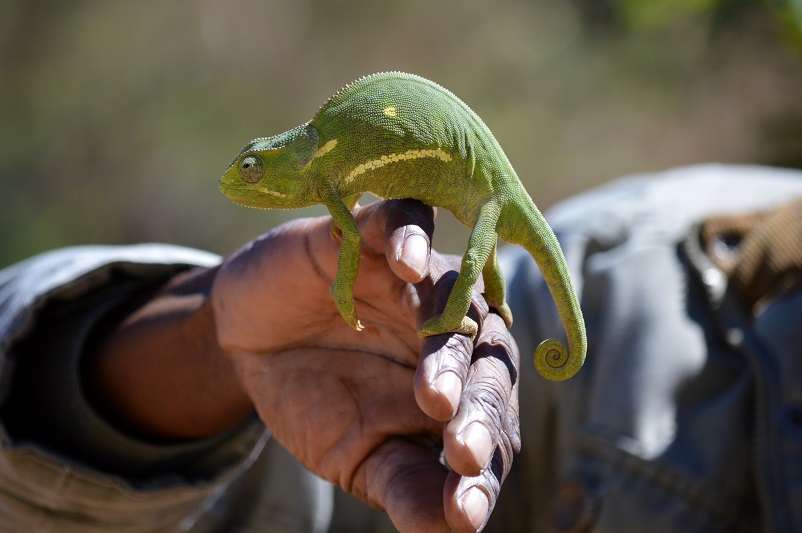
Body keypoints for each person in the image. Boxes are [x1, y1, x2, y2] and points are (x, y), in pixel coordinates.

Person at [0, 163, 800, 533]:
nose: (244, 184)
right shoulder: (668, 284)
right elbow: (274, 476)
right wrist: (217, 336)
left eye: (255, 172)